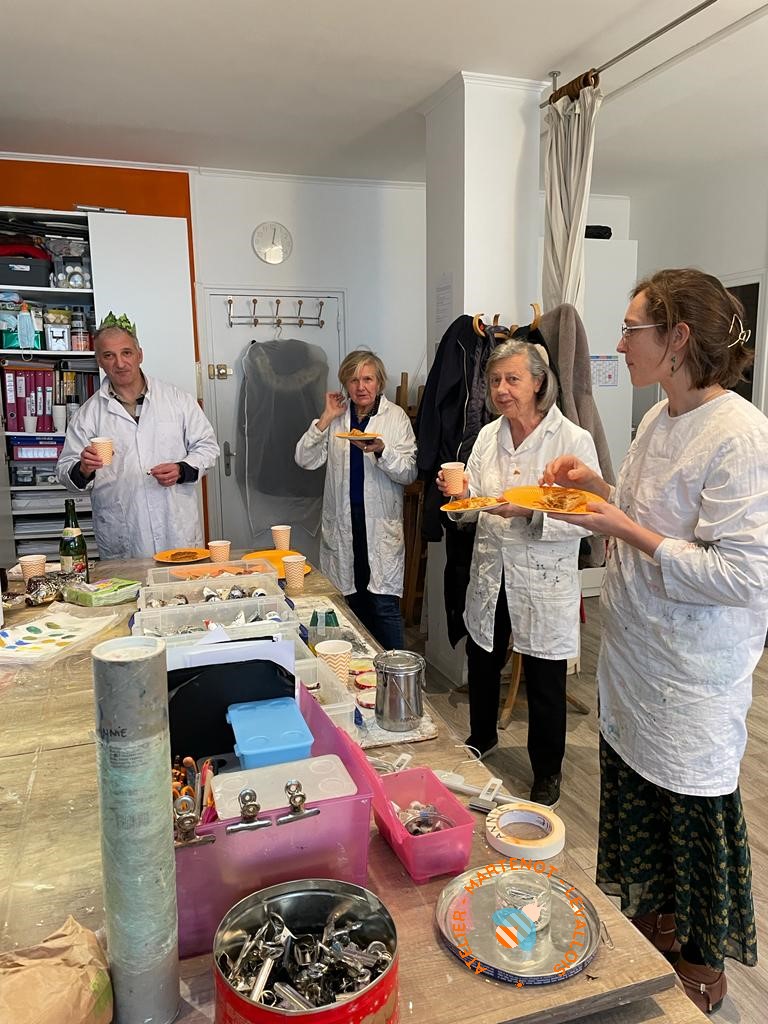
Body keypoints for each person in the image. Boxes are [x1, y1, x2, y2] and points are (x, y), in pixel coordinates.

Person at [543, 269, 768, 1013]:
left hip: (694, 675)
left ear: (678, 338)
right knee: (641, 798)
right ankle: (656, 928)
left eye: (631, 329)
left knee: (692, 815)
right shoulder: (656, 420)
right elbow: (650, 515)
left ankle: (701, 964)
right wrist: (598, 489)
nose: (618, 344)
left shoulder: (740, 434)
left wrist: (621, 526)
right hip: (638, 659)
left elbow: (743, 576)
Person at [437, 339, 600, 807]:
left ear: (539, 382)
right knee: (483, 657)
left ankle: (547, 770)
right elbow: (472, 507)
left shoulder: (571, 439)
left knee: (546, 676)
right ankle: (482, 736)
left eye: (512, 379)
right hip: (493, 568)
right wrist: (459, 496)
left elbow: (588, 516)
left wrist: (530, 513)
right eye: (494, 381)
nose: (501, 390)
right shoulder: (488, 436)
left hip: (542, 575)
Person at [56, 314, 220, 559]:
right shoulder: (87, 415)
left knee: (182, 581)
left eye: (127, 353)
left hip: (175, 526)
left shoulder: (177, 400)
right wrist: (84, 468)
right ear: (99, 360)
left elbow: (207, 447)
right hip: (123, 533)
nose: (120, 363)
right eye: (109, 355)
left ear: (140, 355)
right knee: (128, 584)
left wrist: (182, 469)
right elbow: (64, 471)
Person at [295, 349, 417, 649]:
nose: (361, 387)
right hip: (343, 526)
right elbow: (304, 459)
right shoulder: (338, 418)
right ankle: (356, 670)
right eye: (353, 380)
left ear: (379, 382)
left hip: (379, 528)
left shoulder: (395, 418)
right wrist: (326, 417)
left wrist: (382, 451)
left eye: (368, 379)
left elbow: (409, 472)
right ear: (345, 384)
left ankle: (394, 672)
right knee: (349, 606)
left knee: (383, 607)